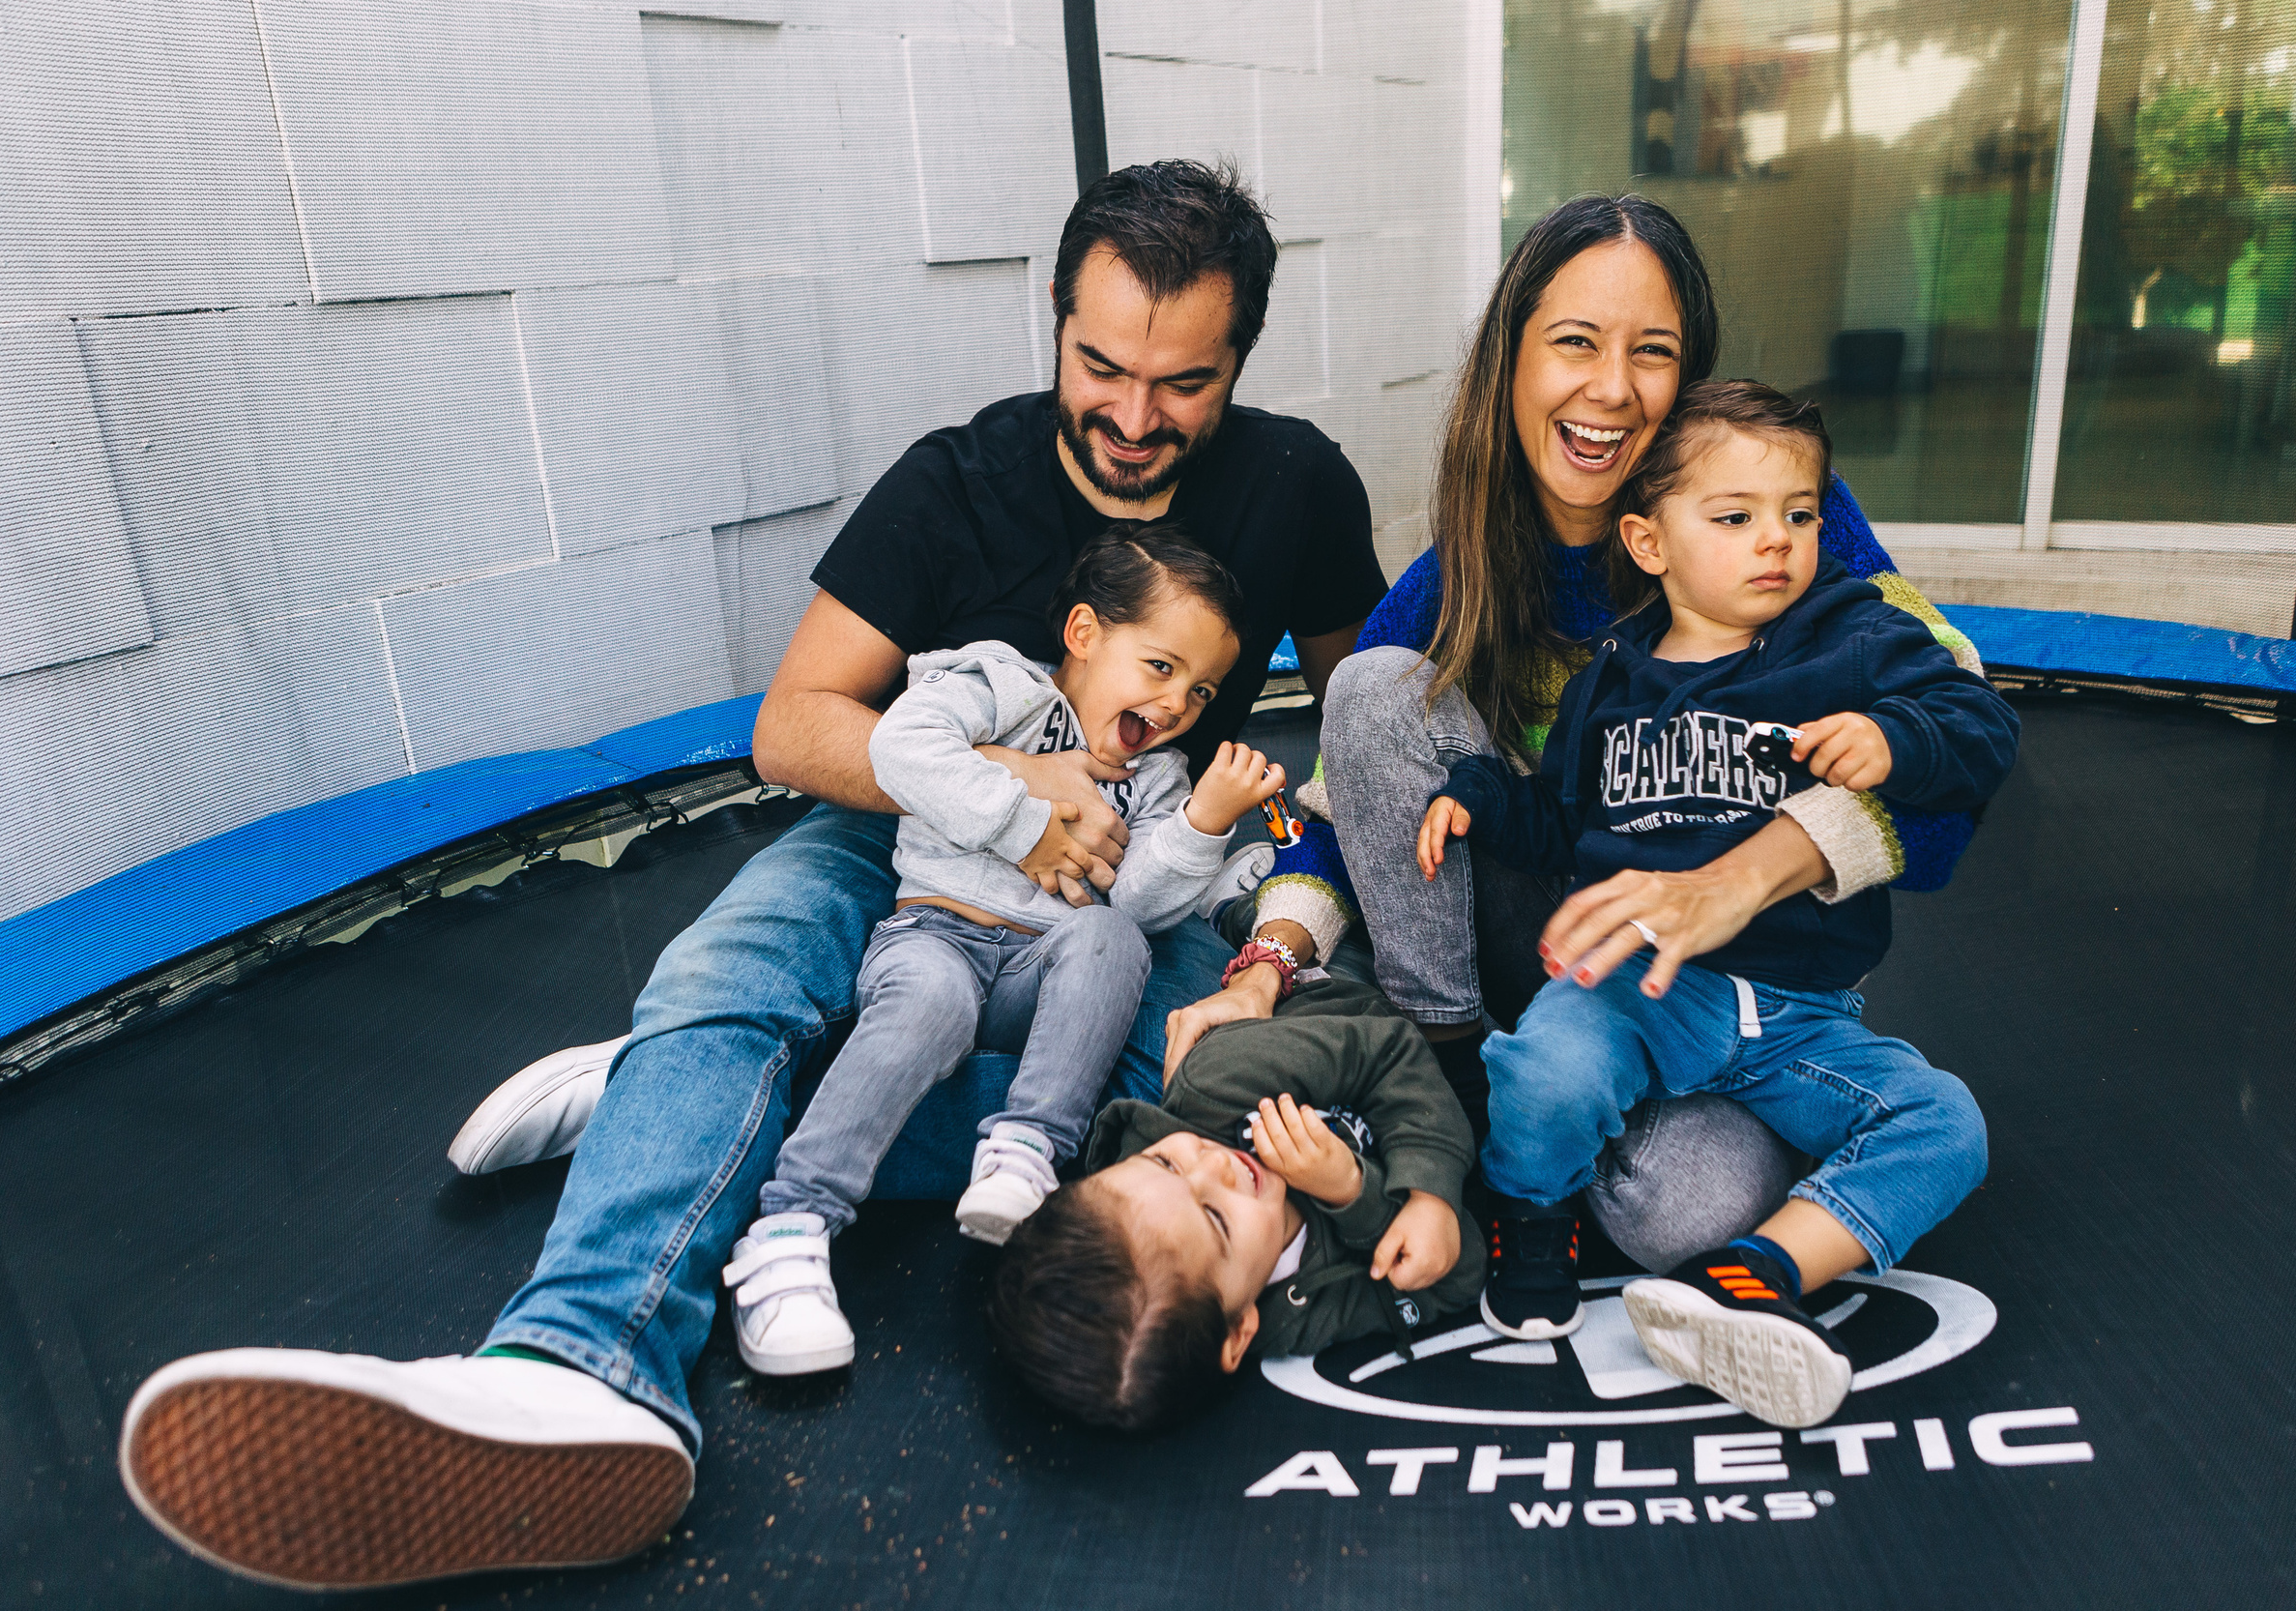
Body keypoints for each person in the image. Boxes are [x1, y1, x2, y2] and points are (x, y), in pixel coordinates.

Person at [116, 159, 1386, 1592]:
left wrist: (1282, 918)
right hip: (911, 842)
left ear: (1242, 358)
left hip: (1124, 878)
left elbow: (1364, 735)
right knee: (733, 973)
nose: (1135, 415)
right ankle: (580, 1361)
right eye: (1100, 364)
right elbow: (795, 725)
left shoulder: (1295, 486)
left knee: (1210, 1088)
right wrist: (1014, 790)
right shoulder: (956, 479)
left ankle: (676, 1088)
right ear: (1053, 317)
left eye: (1182, 381)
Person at [1189, 192, 1993, 1283]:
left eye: (1651, 353)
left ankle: (1501, 1137)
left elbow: (1944, 811)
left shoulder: (1780, 525)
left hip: (1701, 992)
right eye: (1575, 342)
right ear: (1510, 361)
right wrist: (1264, 966)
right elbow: (1344, 804)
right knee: (1377, 689)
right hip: (1508, 959)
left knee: (1687, 1211)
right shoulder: (1458, 573)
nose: (1611, 390)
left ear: (1691, 379)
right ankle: (1450, 1072)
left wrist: (1738, 880)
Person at [1418, 381, 2017, 1427]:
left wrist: (1896, 741)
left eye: (1798, 514)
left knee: (1946, 1121)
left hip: (1802, 1014)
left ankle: (1750, 1274)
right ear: (1649, 542)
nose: (1775, 543)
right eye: (1734, 518)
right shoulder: (1612, 682)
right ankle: (1534, 1216)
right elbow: (1560, 824)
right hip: (1644, 990)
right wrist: (1481, 804)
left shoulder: (1854, 639)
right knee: (1545, 1065)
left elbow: (1980, 729)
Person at [728, 523, 1284, 1377]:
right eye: (1162, 668)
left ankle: (1025, 1147)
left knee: (1108, 933)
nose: (1177, 706)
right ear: (1086, 636)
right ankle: (792, 1223)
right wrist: (1026, 823)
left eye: (1202, 693)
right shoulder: (998, 683)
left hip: (1042, 971)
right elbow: (900, 746)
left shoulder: (1161, 779)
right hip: (935, 936)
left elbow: (1139, 902)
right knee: (933, 1005)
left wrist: (1203, 823)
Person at [986, 976, 1482, 1431]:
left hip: (1340, 980)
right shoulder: (1298, 1316)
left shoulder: (1218, 1084)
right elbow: (1454, 1277)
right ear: (1239, 1332)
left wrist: (1428, 1184)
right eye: (1216, 1218)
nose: (1213, 1165)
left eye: (1164, 1163)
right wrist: (1353, 1194)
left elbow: (1388, 1047)